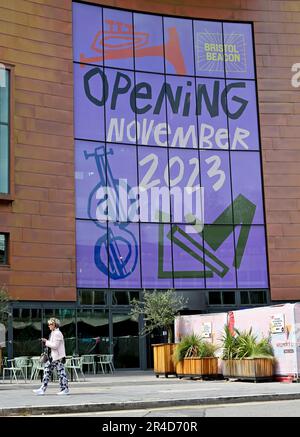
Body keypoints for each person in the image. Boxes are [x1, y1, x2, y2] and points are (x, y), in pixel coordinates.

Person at [33, 317, 69, 395]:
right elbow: (52, 345)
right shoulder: (53, 333)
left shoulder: (57, 333)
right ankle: (42, 389)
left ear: (55, 325)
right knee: (47, 372)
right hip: (53, 357)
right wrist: (47, 342)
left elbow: (55, 346)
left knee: (61, 374)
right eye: (49, 324)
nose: (49, 326)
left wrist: (46, 342)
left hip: (58, 357)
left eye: (50, 324)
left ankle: (65, 389)